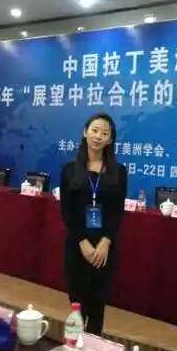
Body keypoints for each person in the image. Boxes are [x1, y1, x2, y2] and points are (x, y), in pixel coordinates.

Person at [60, 113, 127, 335]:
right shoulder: (69, 170)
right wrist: (82, 242)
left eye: (104, 133)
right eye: (95, 130)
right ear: (85, 132)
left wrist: (106, 242)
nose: (98, 136)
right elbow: (67, 211)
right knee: (77, 304)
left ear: (110, 139)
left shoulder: (118, 172)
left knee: (98, 306)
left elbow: (117, 211)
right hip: (77, 244)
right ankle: (74, 348)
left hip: (103, 248)